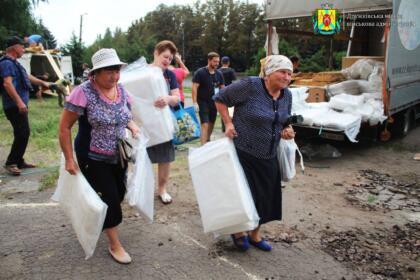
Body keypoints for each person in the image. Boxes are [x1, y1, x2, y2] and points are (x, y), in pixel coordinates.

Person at [59, 48, 139, 264]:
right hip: (92, 157)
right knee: (109, 198)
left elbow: (125, 115)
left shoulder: (121, 90)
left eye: (117, 71)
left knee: (119, 192)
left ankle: (98, 218)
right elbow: (64, 127)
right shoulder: (83, 92)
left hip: (118, 154)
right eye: (109, 72)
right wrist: (68, 158)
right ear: (95, 73)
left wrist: (132, 126)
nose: (114, 76)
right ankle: (115, 245)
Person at [213, 55, 296, 252]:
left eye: (290, 73)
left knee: (266, 197)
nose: (286, 77)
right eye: (282, 72)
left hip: (269, 153)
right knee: (243, 195)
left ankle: (255, 234)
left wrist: (288, 129)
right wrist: (229, 122)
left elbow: (284, 119)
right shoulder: (251, 86)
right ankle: (238, 231)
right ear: (269, 73)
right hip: (244, 151)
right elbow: (220, 99)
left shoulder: (287, 95)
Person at [0, 36, 51, 176]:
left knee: (21, 133)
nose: (24, 48)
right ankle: (11, 163)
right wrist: (19, 102)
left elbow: (27, 77)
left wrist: (42, 83)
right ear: (14, 47)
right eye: (22, 46)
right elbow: (7, 84)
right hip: (14, 105)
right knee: (23, 133)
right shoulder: (6, 63)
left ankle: (19, 160)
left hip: (18, 105)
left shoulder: (15, 63)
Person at [148, 40, 180, 205]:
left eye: (170, 58)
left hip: (164, 123)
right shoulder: (143, 72)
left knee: (165, 158)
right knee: (141, 158)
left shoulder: (170, 75)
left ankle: (162, 189)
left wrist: (168, 99)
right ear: (156, 53)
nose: (167, 60)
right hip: (144, 124)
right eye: (165, 56)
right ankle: (142, 190)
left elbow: (177, 98)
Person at [192, 52, 224, 144]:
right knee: (205, 124)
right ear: (209, 60)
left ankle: (207, 141)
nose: (217, 64)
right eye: (215, 61)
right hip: (202, 102)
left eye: (218, 62)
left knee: (211, 124)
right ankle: (203, 146)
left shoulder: (219, 74)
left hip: (214, 102)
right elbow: (194, 87)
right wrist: (195, 102)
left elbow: (223, 88)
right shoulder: (200, 72)